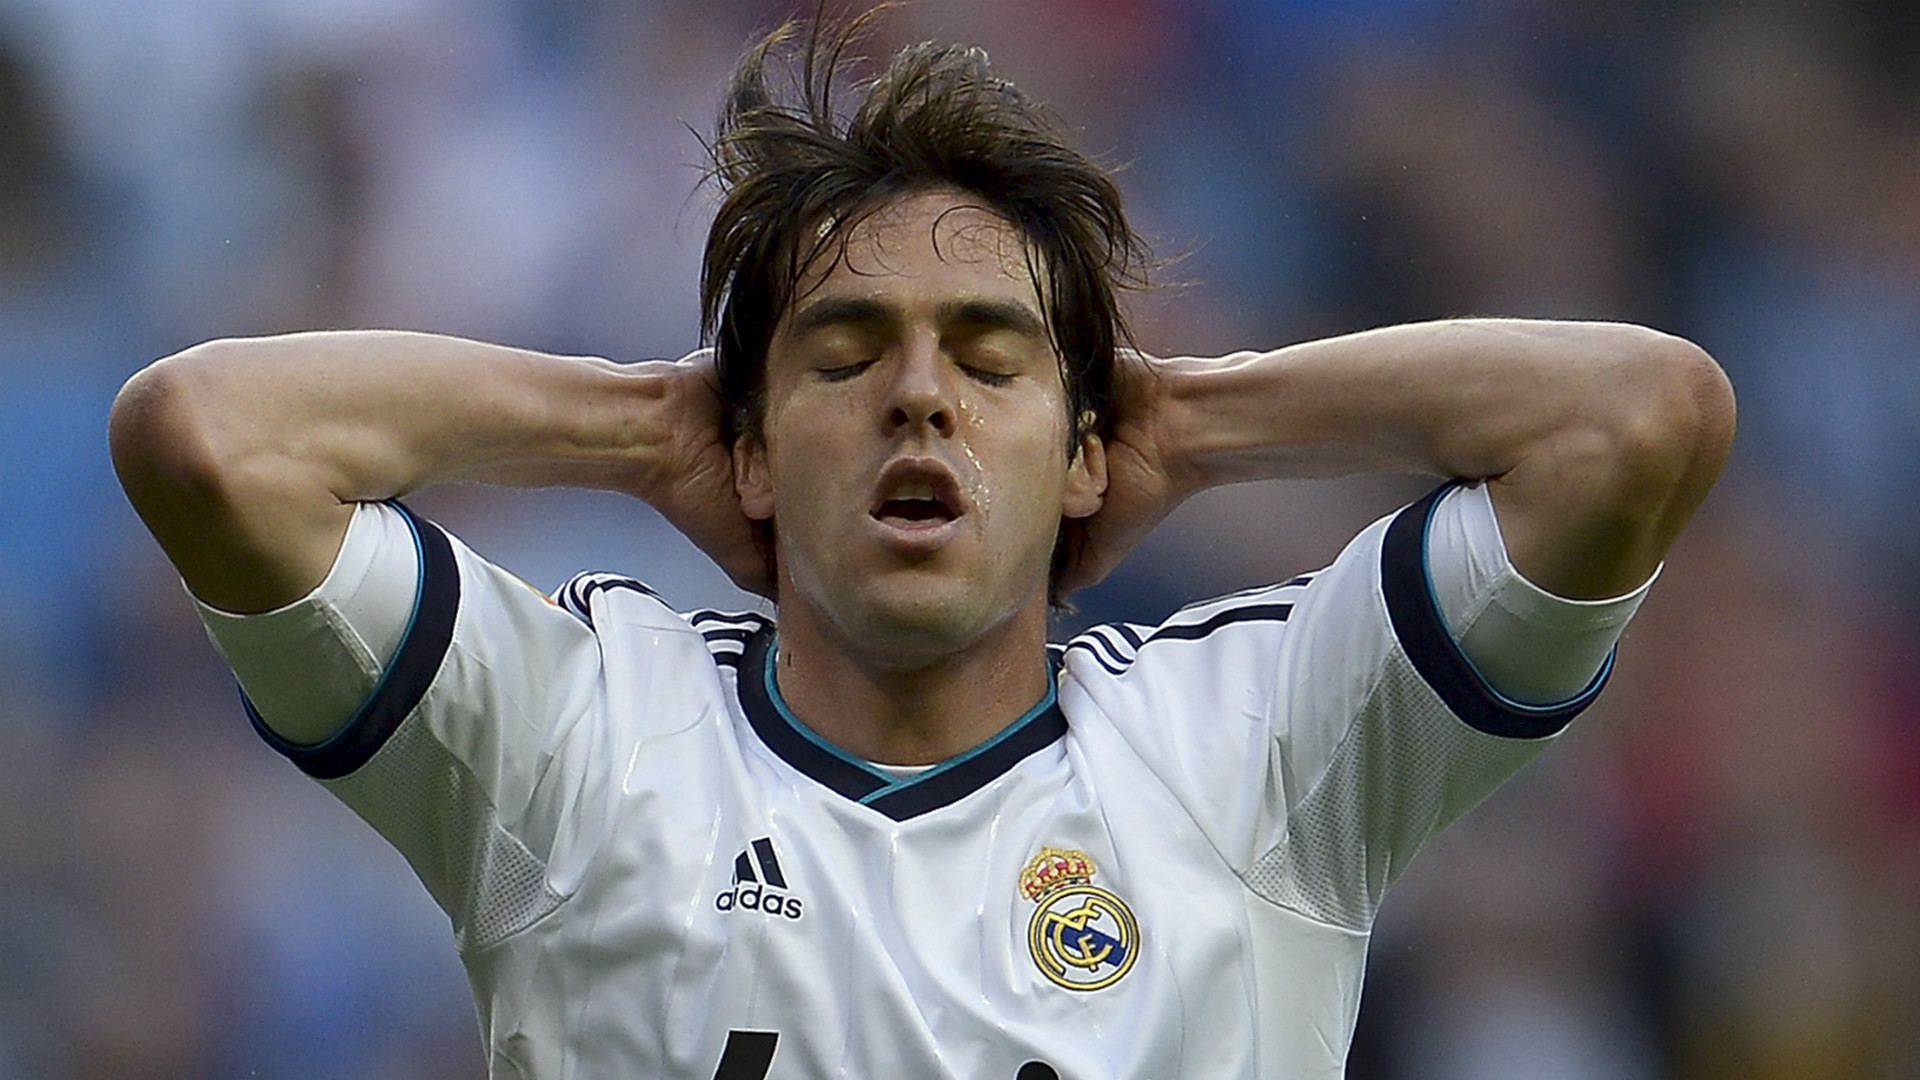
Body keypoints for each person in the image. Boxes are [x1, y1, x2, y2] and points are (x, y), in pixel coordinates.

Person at [108, 21, 1735, 1080]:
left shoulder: (1259, 749)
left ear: (1085, 448)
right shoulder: (576, 737)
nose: (918, 397)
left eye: (991, 357)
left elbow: (1638, 419)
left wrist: (1191, 417)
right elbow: (211, 439)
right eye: (843, 354)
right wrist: (643, 425)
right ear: (749, 446)